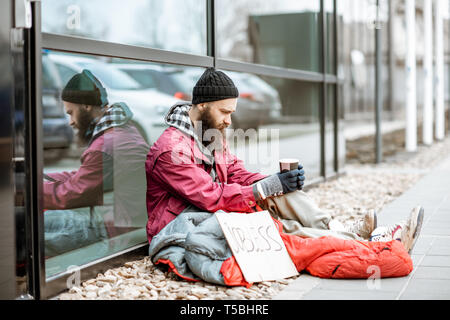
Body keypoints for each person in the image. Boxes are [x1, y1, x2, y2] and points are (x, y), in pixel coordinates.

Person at [145, 67, 424, 255]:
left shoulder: (210, 131)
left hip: (214, 211)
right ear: (203, 106)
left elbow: (234, 171)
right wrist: (264, 189)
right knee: (278, 227)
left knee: (279, 192)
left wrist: (277, 183)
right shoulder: (171, 150)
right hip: (188, 224)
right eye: (224, 111)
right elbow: (210, 197)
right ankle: (374, 244)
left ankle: (337, 229)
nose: (229, 120)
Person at [43, 69, 149, 257]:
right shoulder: (123, 130)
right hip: (122, 223)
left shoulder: (106, 145)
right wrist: (41, 177)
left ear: (85, 106)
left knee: (30, 226)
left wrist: (29, 189)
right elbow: (84, 175)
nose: (70, 122)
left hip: (113, 234)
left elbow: (70, 195)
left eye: (71, 113)